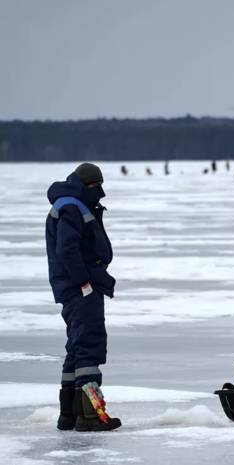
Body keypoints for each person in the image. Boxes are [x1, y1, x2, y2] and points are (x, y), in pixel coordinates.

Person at [46, 164, 121, 432]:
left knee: (76, 349)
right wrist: (84, 282)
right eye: (94, 186)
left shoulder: (73, 203)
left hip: (75, 286)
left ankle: (69, 415)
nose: (99, 191)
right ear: (84, 184)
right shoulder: (72, 206)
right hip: (80, 288)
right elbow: (66, 249)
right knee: (89, 345)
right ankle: (90, 416)